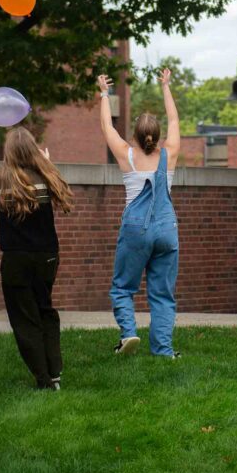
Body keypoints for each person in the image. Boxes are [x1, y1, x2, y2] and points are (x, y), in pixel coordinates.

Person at [98, 68, 181, 357]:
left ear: (134, 134)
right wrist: (166, 86)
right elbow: (173, 119)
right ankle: (163, 350)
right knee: (162, 293)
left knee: (123, 286)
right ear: (157, 136)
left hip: (136, 228)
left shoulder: (126, 154)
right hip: (167, 229)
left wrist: (104, 94)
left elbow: (107, 127)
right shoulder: (169, 153)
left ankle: (129, 333)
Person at [0, 128, 73, 389]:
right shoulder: (48, 175)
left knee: (25, 318)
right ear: (33, 149)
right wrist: (45, 161)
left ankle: (43, 378)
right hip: (47, 256)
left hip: (16, 259)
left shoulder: (0, 177)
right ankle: (55, 371)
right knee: (45, 309)